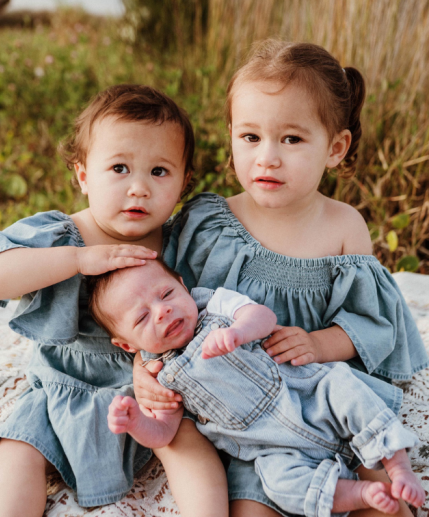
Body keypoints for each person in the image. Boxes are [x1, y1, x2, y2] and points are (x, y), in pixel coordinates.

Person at [144, 40, 429, 516]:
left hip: (322, 397)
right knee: (257, 506)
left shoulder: (342, 227)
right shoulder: (209, 223)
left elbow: (372, 323)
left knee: (387, 501)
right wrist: (144, 369)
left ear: (335, 148)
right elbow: (162, 302)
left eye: (291, 139)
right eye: (251, 137)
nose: (267, 158)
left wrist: (318, 344)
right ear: (232, 134)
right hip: (243, 417)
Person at [0, 84, 228, 516]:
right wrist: (76, 259)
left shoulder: (179, 241)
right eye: (120, 168)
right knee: (18, 449)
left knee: (187, 446)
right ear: (84, 174)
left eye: (159, 172)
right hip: (66, 380)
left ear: (184, 181)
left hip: (158, 382)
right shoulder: (64, 235)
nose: (139, 188)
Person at [91, 260, 425, 515]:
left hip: (308, 395)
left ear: (183, 285)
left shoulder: (216, 307)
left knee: (346, 388)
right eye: (142, 318)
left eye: (167, 294)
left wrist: (240, 331)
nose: (162, 310)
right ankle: (358, 495)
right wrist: (136, 423)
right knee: (279, 483)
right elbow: (164, 432)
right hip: (272, 448)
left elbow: (262, 316)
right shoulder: (160, 374)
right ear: (126, 346)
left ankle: (399, 468)